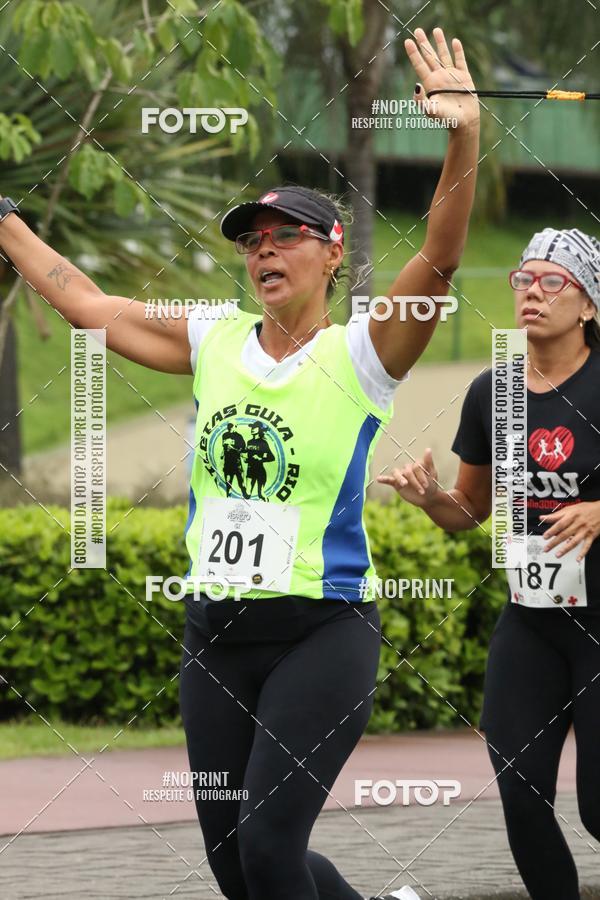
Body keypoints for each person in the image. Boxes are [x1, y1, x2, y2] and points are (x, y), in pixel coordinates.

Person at [0, 26, 479, 900]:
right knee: (239, 867)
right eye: (251, 238)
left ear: (333, 252)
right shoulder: (214, 340)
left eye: (286, 234)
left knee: (268, 847)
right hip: (214, 637)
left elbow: (440, 258)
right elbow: (85, 301)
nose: (263, 248)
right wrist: (5, 223)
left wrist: (464, 135)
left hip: (322, 631)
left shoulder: (363, 353)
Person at [378, 227, 600, 900]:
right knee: (521, 792)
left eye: (553, 280)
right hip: (531, 622)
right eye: (523, 278)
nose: (533, 290)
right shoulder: (493, 391)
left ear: (589, 304)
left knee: (597, 807)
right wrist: (429, 499)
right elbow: (469, 509)